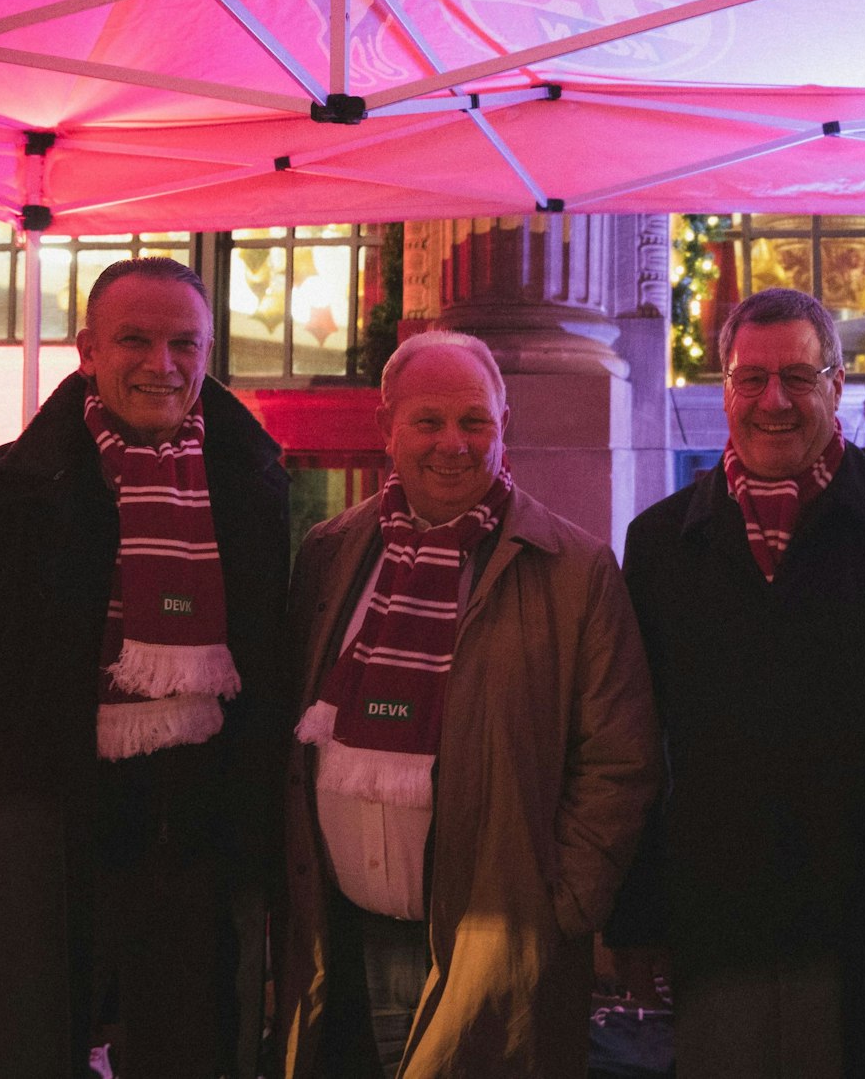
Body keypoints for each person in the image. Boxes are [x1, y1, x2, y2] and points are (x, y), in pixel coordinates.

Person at [608, 287, 865, 1078]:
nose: (774, 400)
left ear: (836, 386)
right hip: (720, 929)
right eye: (751, 379)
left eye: (799, 378)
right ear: (725, 389)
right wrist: (638, 918)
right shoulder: (661, 543)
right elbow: (635, 745)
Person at [0, 256, 292, 1079]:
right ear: (86, 348)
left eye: (185, 342)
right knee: (21, 1047)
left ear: (210, 351)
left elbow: (270, 664)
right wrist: (10, 790)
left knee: (191, 1051)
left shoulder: (253, 490)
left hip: (196, 842)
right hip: (44, 835)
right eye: (135, 340)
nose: (163, 364)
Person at [272, 330, 659, 1078]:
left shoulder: (575, 570)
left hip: (491, 952)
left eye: (474, 420)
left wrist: (559, 909)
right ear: (387, 427)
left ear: (502, 423)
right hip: (338, 942)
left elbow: (621, 759)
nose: (453, 443)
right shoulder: (329, 552)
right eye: (428, 421)